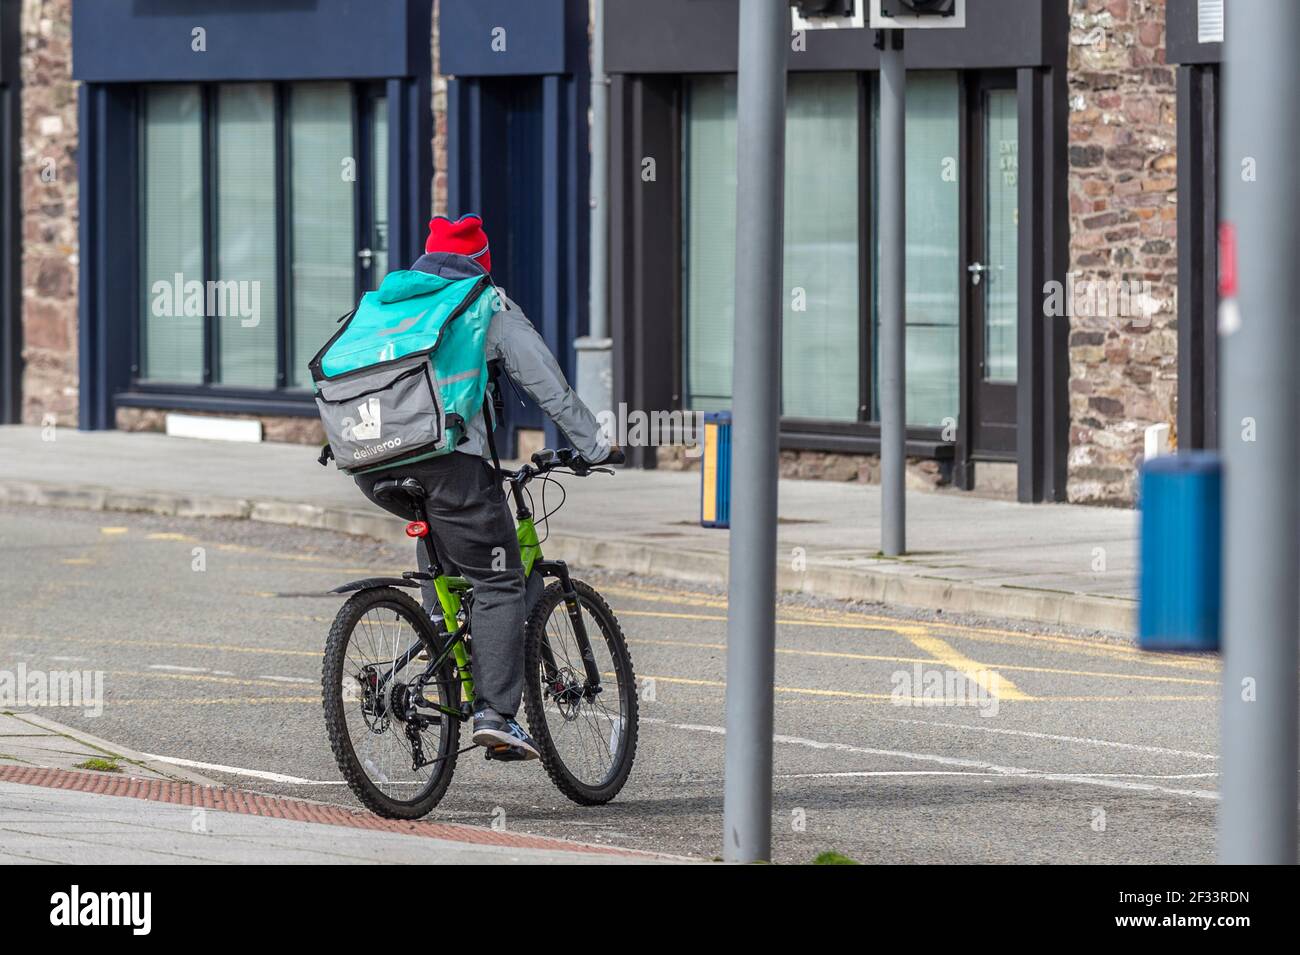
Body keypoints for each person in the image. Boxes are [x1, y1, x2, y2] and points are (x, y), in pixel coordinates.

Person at [354, 214, 615, 760]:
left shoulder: (391, 304)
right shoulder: (485, 303)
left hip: (373, 465)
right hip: (450, 465)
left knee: (444, 551)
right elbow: (548, 383)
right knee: (499, 582)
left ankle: (434, 644)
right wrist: (592, 447)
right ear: (483, 260)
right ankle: (495, 715)